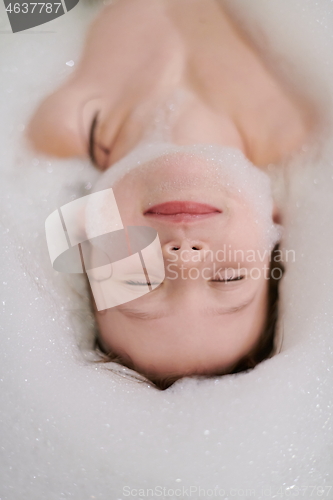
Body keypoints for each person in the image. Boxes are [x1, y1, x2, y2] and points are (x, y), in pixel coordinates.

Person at [26, 0, 314, 389]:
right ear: (274, 222)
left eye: (139, 282)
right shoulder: (299, 108)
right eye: (229, 278)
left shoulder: (55, 121)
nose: (185, 260)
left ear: (87, 235)